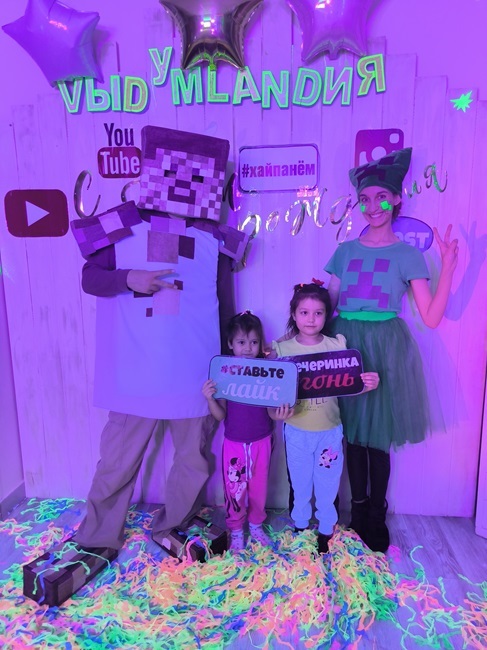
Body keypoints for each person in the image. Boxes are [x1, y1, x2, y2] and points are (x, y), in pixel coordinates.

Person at [69, 127, 247, 555]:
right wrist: (129, 278)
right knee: (117, 461)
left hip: (195, 372)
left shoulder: (214, 240)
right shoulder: (122, 226)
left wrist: (228, 363)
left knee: (193, 459)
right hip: (137, 370)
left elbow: (224, 305)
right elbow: (90, 278)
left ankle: (175, 523)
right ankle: (96, 539)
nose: (182, 184)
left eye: (196, 177)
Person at [324, 147, 459, 553]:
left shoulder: (407, 254)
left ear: (397, 198)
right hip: (347, 347)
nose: (372, 207)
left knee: (377, 437)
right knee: (352, 435)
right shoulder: (344, 252)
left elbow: (431, 317)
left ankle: (375, 515)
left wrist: (448, 267)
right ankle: (356, 509)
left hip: (385, 349)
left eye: (381, 197)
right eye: (364, 199)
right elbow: (327, 308)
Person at [272, 283, 379, 554]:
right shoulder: (283, 350)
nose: (311, 319)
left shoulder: (336, 345)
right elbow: (272, 396)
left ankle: (325, 531)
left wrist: (366, 384)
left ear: (326, 315)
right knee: (300, 485)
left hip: (329, 431)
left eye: (318, 313)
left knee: (327, 485)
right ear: (294, 314)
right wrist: (277, 413)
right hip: (296, 431)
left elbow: (348, 385)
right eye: (304, 312)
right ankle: (300, 528)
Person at [202, 311, 291, 551]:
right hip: (234, 444)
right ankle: (236, 529)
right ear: (231, 344)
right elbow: (220, 415)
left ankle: (256, 525)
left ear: (260, 344)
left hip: (262, 441)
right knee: (235, 489)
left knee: (259, 488)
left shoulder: (266, 371)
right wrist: (210, 399)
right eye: (241, 342)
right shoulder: (225, 374)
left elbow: (271, 411)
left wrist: (281, 414)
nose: (248, 348)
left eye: (254, 342)